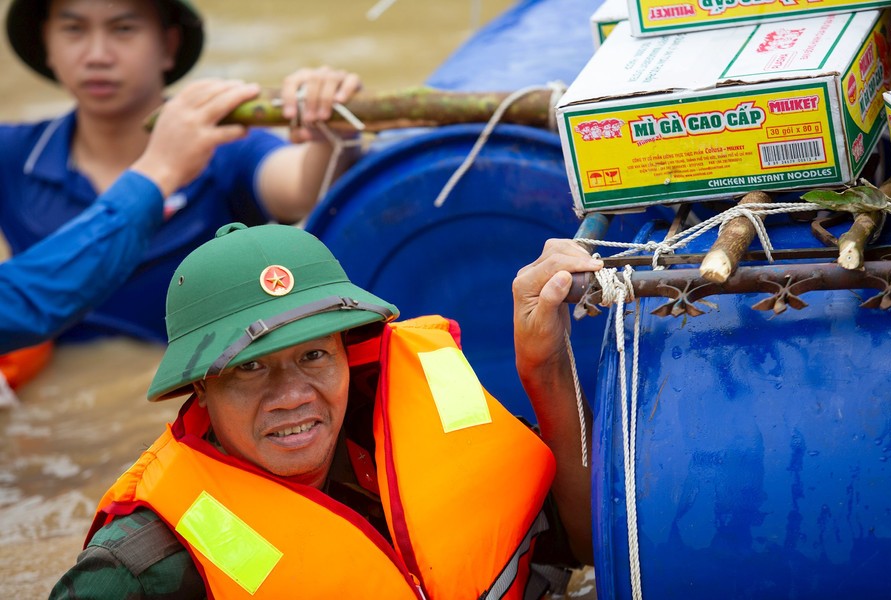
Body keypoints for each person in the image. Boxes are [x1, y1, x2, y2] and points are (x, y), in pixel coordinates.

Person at [49, 223, 602, 599]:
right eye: (249, 368)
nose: (292, 394)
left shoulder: (417, 446)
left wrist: (543, 361)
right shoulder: (141, 566)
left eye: (313, 355)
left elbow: (582, 544)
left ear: (347, 355)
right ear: (199, 389)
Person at [1, 0, 363, 345]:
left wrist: (330, 133)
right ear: (46, 41)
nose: (97, 56)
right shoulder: (13, 154)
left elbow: (302, 187)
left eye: (123, 29)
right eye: (73, 29)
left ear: (168, 44)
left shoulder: (221, 142)